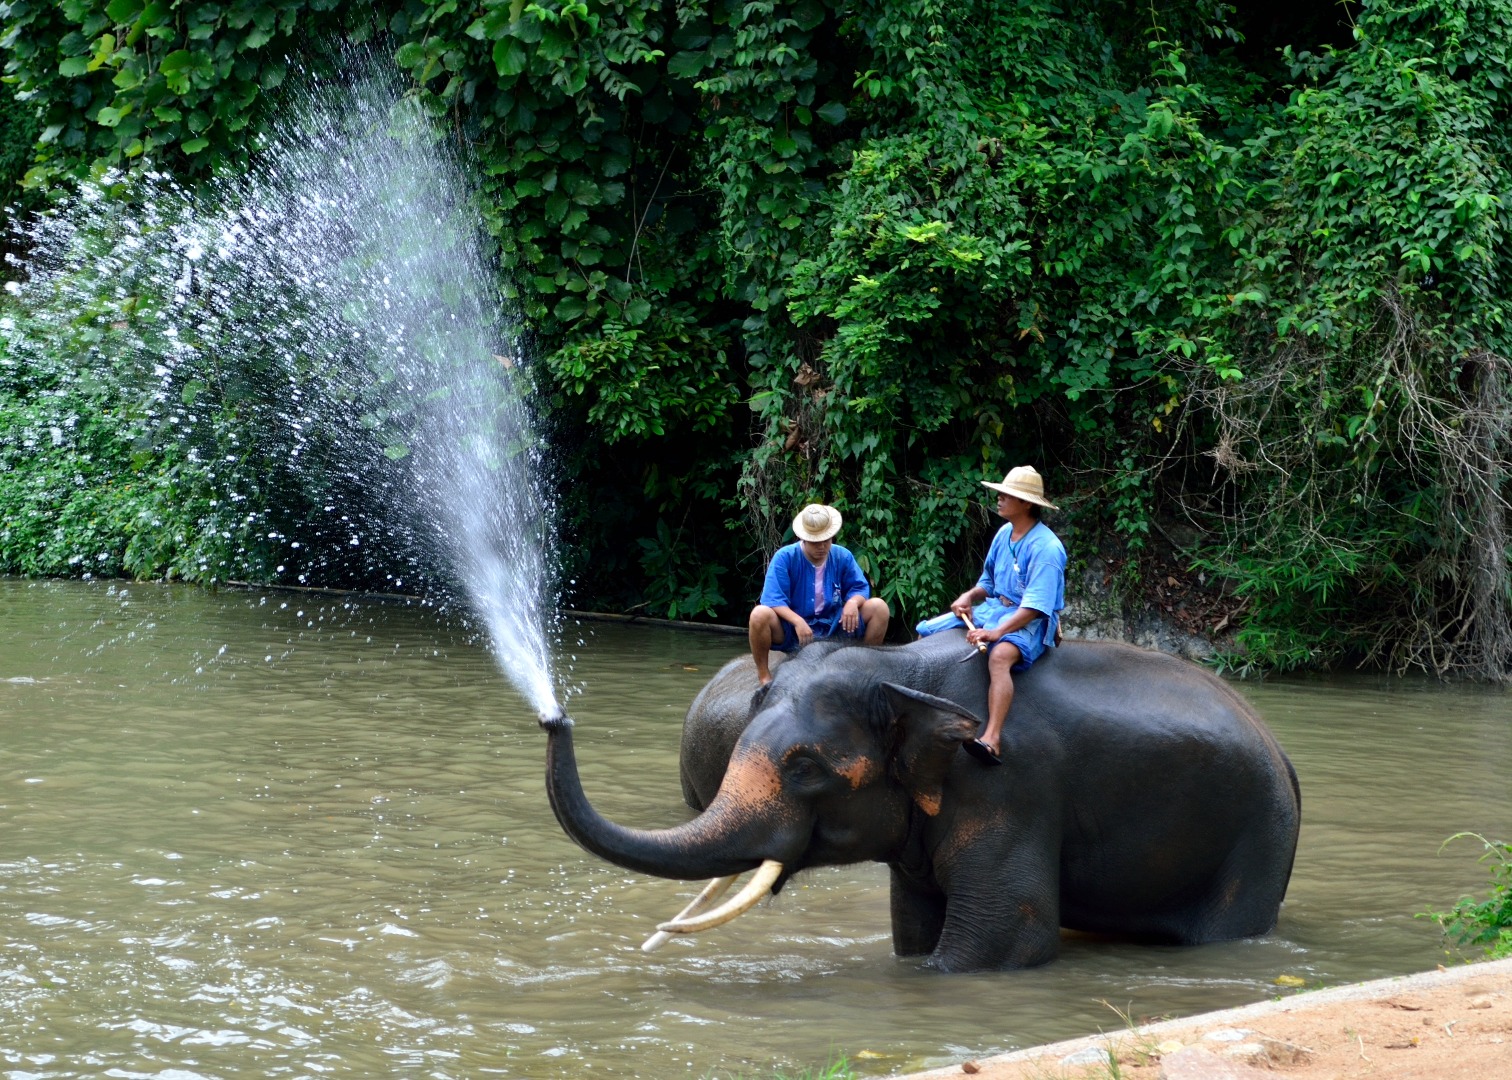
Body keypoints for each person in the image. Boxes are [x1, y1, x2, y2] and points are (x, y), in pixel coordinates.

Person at [916, 466, 1066, 765]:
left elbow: (1036, 606)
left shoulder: (1047, 548)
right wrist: (969, 597)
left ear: (1026, 503)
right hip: (995, 608)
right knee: (927, 632)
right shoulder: (1003, 534)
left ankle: (992, 738)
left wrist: (997, 633)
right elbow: (988, 583)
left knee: (999, 657)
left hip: (1029, 621)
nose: (998, 499)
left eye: (1007, 495)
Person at [749, 503, 891, 686]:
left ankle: (865, 670)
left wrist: (853, 603)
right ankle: (764, 675)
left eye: (827, 540)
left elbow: (859, 588)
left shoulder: (842, 556)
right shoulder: (785, 557)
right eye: (816, 542)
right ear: (804, 538)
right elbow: (772, 599)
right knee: (758, 614)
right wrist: (797, 621)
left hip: (834, 623)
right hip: (793, 629)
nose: (822, 546)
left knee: (879, 607)